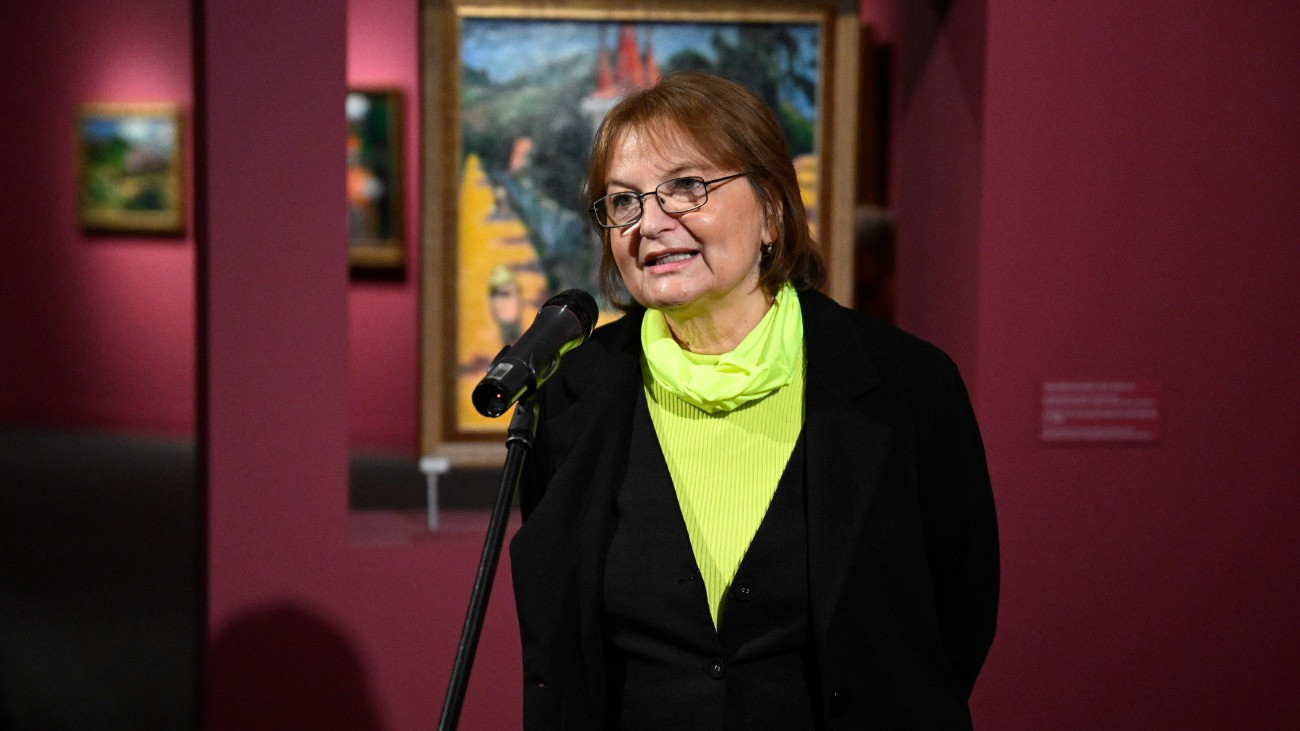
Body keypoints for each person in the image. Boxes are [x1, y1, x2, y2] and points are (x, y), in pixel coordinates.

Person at [508, 71, 998, 729]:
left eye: (687, 186)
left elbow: (955, 615)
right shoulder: (570, 395)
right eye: (623, 201)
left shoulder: (909, 385)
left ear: (772, 211)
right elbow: (563, 637)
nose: (650, 222)